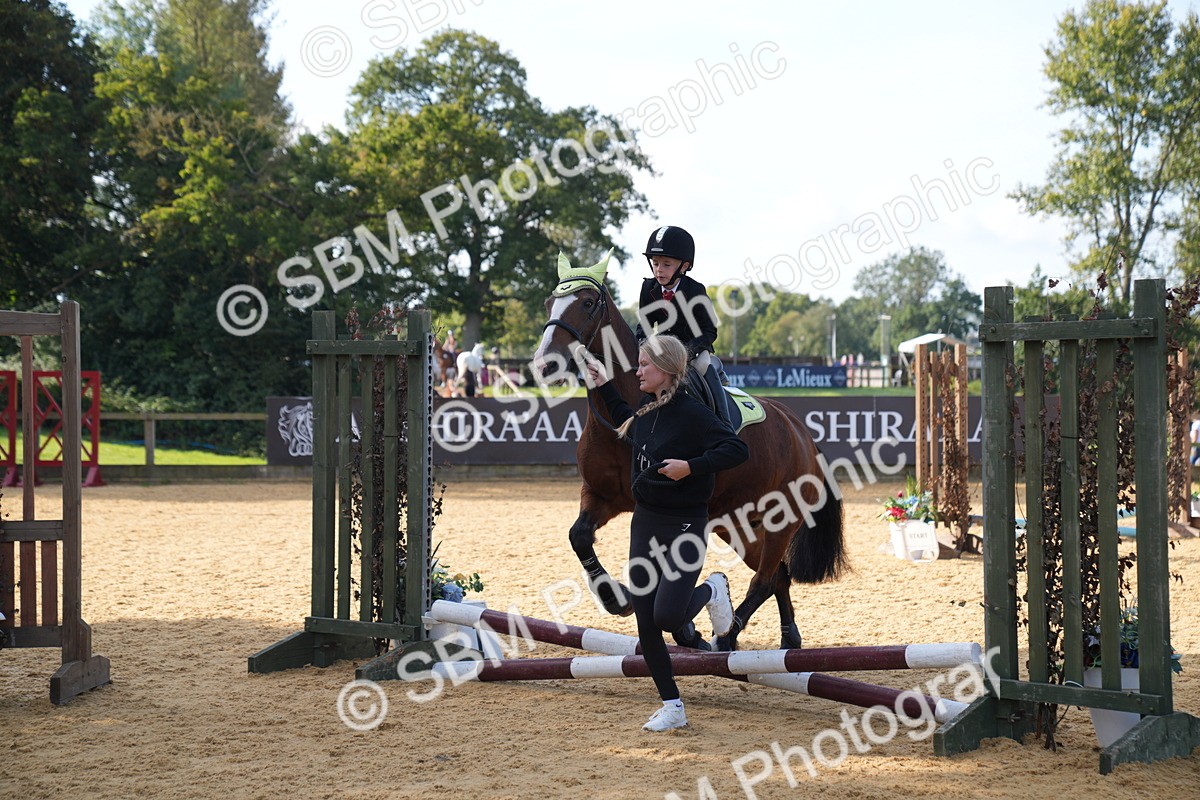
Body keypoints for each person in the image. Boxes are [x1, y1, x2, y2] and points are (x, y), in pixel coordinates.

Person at [585, 334, 748, 732]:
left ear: (666, 370)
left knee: (669, 615)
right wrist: (602, 381)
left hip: (685, 525)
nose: (638, 371)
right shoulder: (646, 408)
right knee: (645, 619)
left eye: (644, 365)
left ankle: (713, 590)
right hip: (646, 522)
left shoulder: (693, 413)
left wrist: (691, 466)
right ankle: (672, 706)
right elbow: (625, 415)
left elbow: (736, 450)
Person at [634, 225, 732, 426]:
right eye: (655, 263)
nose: (659, 270)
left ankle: (724, 421)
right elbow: (644, 324)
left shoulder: (695, 290)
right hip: (660, 351)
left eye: (666, 264)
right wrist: (643, 345)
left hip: (692, 350)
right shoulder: (648, 288)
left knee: (705, 367)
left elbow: (709, 331)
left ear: (684, 266)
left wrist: (686, 353)